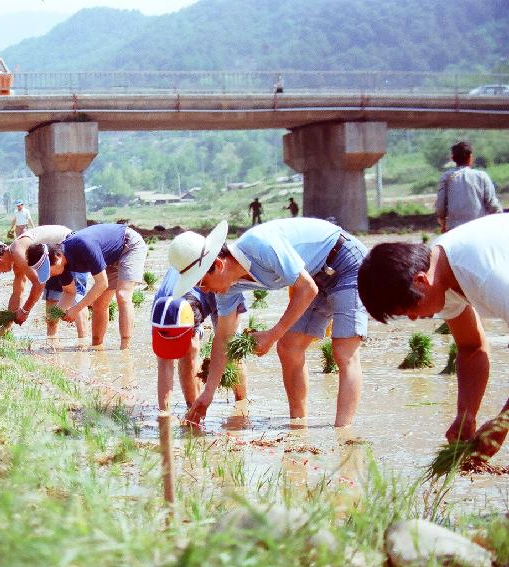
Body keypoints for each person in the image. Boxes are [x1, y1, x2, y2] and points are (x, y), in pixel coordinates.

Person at [168, 218, 368, 428]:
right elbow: (223, 339)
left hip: (346, 263)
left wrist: (272, 334)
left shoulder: (259, 245)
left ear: (218, 265)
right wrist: (207, 395)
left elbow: (307, 290)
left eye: (201, 282)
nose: (203, 291)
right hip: (313, 276)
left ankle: (343, 435)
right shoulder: (228, 288)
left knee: (343, 352)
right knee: (289, 347)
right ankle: (299, 426)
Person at [357, 214, 508, 464]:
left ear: (420, 281)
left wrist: (502, 424)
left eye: (409, 311)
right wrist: (465, 416)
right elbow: (472, 348)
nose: (414, 320)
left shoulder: (483, 273)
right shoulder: (440, 275)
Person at [26, 223, 147, 349]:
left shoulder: (84, 245)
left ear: (58, 256)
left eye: (48, 270)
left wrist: (76, 309)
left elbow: (102, 284)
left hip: (128, 246)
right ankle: (97, 347)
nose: (50, 274)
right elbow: (69, 293)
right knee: (99, 304)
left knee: (123, 295)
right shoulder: (61, 266)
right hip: (108, 257)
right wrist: (56, 315)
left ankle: (125, 349)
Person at [153, 267, 247, 414]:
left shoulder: (222, 289)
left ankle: (241, 406)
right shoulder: (160, 309)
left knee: (231, 349)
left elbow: (195, 348)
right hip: (180, 298)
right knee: (177, 355)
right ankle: (193, 409)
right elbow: (164, 362)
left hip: (216, 288)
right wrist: (164, 414)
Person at [0, 225, 89, 341]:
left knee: (76, 297)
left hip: (66, 246)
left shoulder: (17, 252)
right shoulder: (17, 261)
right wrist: (6, 327)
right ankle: (52, 342)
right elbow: (17, 293)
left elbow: (39, 284)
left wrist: (25, 311)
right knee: (52, 301)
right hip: (48, 257)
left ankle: (83, 344)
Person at [435, 140, 500, 233]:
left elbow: (440, 207)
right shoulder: (481, 176)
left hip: (455, 230)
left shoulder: (446, 177)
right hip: (479, 229)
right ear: (470, 158)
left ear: (453, 158)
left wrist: (442, 223)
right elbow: (493, 205)